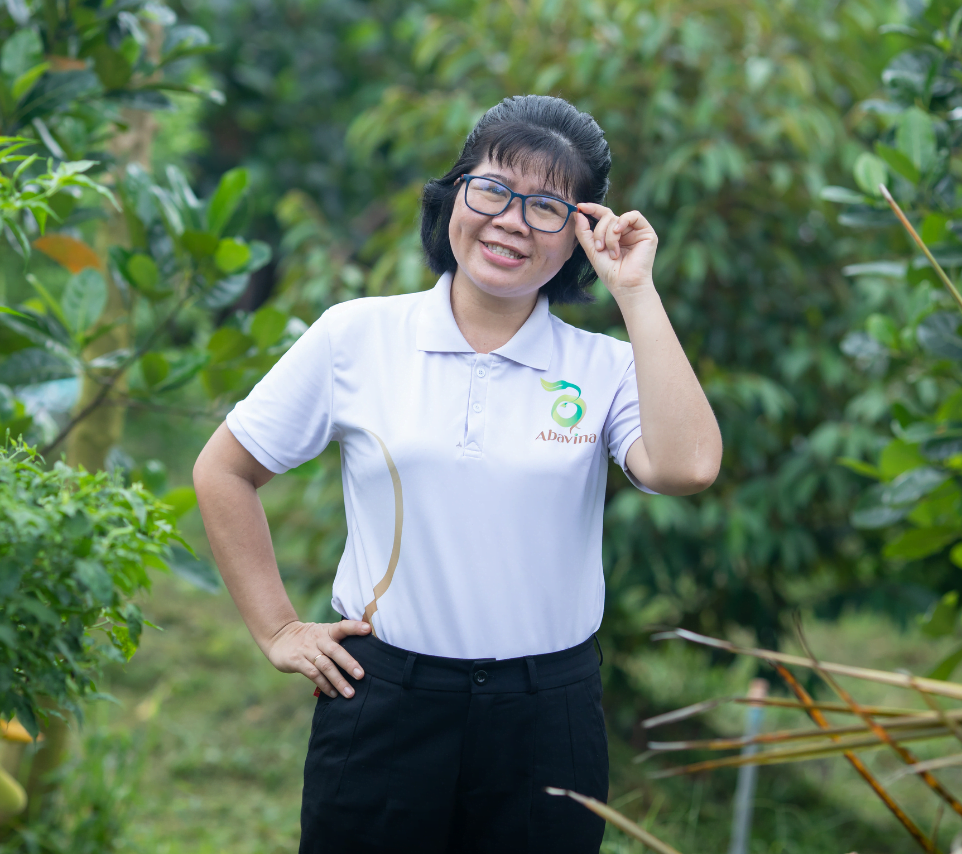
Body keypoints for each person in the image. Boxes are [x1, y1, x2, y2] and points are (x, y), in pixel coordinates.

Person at [192, 95, 721, 853]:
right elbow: (224, 469)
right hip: (383, 702)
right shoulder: (358, 334)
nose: (512, 221)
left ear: (580, 233)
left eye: (547, 207)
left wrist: (635, 291)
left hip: (546, 717)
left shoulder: (601, 368)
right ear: (453, 196)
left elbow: (687, 466)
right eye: (493, 189)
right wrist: (278, 628)